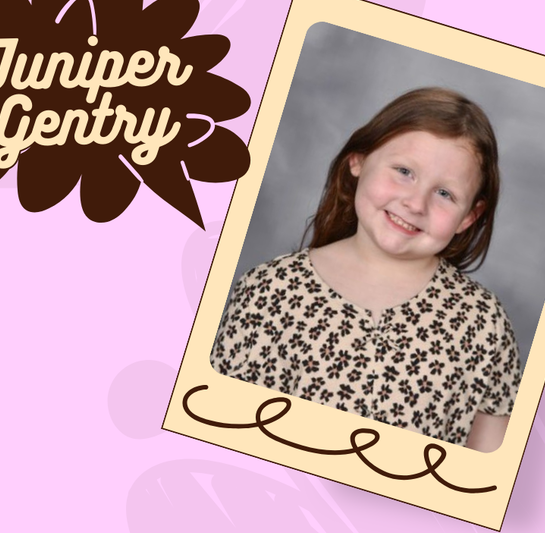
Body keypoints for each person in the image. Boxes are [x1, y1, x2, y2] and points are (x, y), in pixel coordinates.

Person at [210, 87, 522, 452]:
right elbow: (224, 438)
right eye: (404, 171)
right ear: (358, 161)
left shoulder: (482, 320)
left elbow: (485, 470)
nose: (415, 203)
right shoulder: (269, 291)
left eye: (444, 194)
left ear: (469, 216)